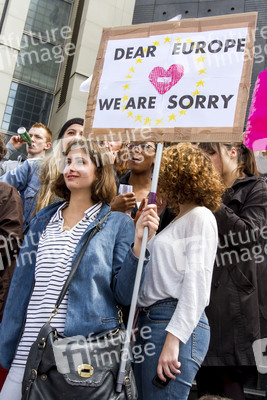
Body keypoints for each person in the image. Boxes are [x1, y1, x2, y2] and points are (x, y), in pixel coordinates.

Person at [0, 139, 159, 400]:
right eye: (68, 161)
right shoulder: (42, 220)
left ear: (100, 172)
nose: (71, 167)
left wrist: (139, 246)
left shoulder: (116, 223)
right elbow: (20, 287)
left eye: (81, 161)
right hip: (27, 352)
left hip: (77, 361)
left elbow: (126, 295)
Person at [134, 143, 224, 400]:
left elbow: (197, 285)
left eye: (161, 172)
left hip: (172, 324)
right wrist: (149, 232)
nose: (155, 179)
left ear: (176, 175)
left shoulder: (200, 217)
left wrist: (173, 341)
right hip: (154, 322)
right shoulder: (177, 220)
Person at [196, 142, 267, 400]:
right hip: (201, 300)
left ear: (233, 152)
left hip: (235, 306)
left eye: (211, 152)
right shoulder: (199, 192)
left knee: (225, 383)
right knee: (204, 385)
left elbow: (249, 236)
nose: (205, 160)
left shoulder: (256, 187)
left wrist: (210, 198)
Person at [34, 117, 84, 214]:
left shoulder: (90, 175)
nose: (76, 138)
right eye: (71, 133)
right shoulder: (35, 166)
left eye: (82, 134)